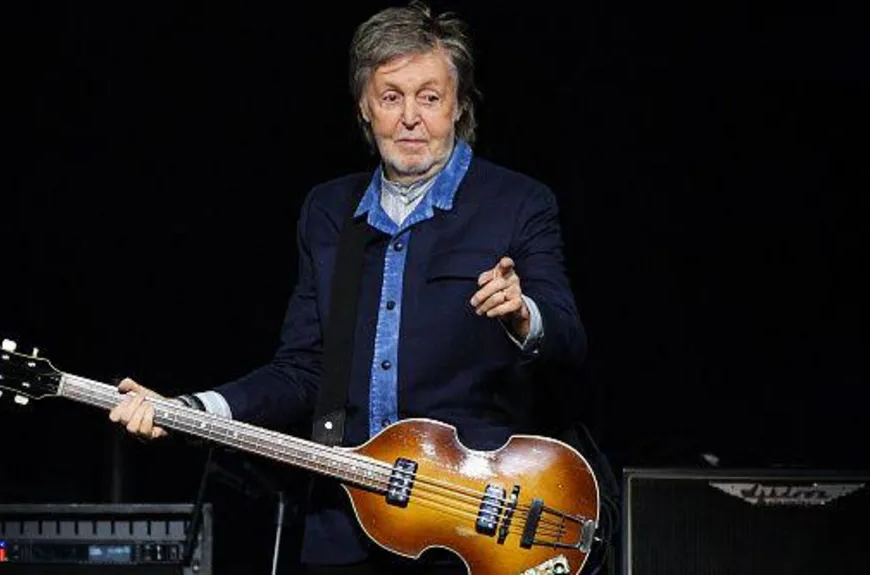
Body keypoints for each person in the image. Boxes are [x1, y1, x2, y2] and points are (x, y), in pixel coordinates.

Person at [108, 2, 587, 573]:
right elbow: (302, 370)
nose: (410, 117)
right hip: (345, 529)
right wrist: (190, 408)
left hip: (474, 529)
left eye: (429, 97)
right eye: (391, 97)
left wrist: (522, 315)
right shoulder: (328, 212)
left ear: (459, 105)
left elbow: (568, 340)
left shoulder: (519, 203)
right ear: (365, 107)